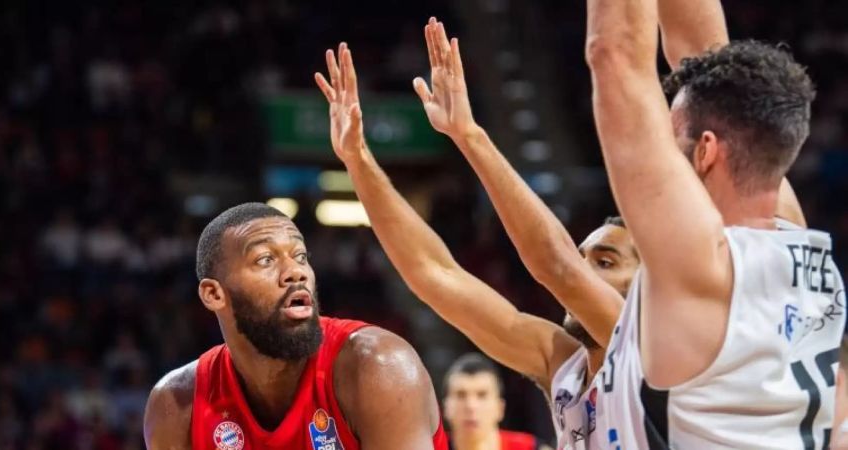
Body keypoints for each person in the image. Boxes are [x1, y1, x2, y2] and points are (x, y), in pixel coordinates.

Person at [315, 38, 636, 450]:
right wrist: (357, 159)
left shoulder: (650, 347)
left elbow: (556, 266)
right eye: (583, 258)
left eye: (606, 262)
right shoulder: (561, 361)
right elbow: (434, 274)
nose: (584, 271)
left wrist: (470, 135)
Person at [585, 0, 845, 446]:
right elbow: (708, 60)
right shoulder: (800, 241)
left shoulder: (701, 267)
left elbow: (616, 54)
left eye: (670, 140)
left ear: (705, 151)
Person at [142, 203, 449, 449]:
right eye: (265, 260)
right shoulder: (177, 405)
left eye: (300, 256)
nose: (295, 272)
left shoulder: (379, 367)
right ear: (214, 294)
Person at [443, 354, 552, 450]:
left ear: (500, 408)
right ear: (446, 407)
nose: (471, 406)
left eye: (482, 395)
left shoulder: (532, 448)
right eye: (461, 395)